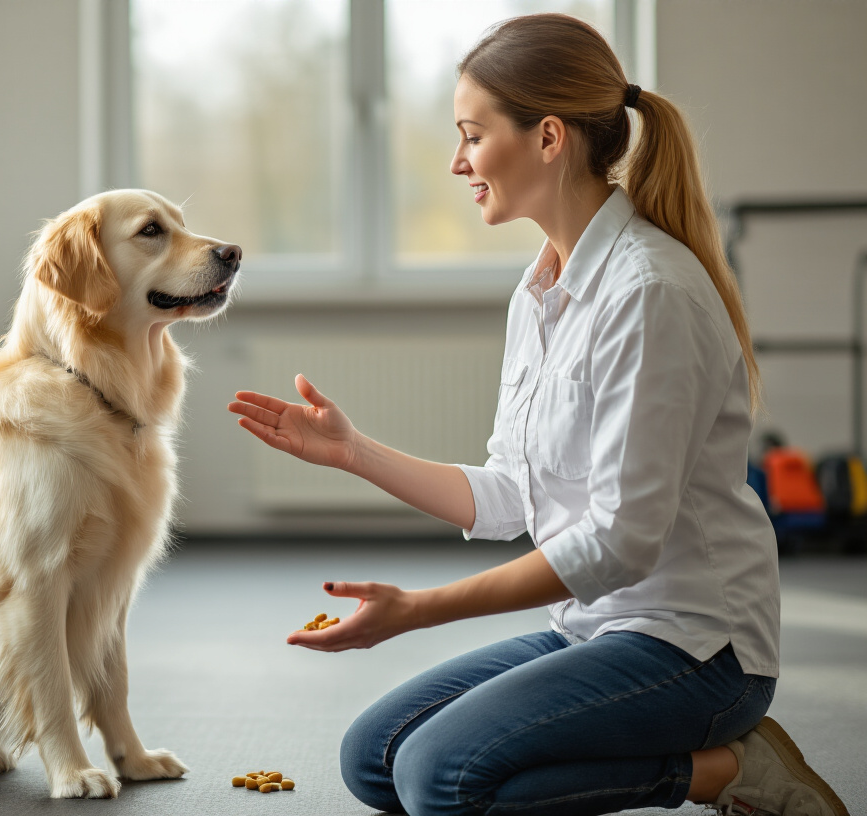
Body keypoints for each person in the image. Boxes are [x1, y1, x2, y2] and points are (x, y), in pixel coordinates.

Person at [227, 13, 848, 816]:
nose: (458, 162)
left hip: (697, 651)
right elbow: (513, 494)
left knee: (437, 780)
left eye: (472, 136)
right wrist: (353, 453)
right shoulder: (541, 289)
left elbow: (621, 541)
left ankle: (731, 768)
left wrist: (418, 612)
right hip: (592, 628)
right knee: (374, 759)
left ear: (548, 137)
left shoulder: (648, 292)